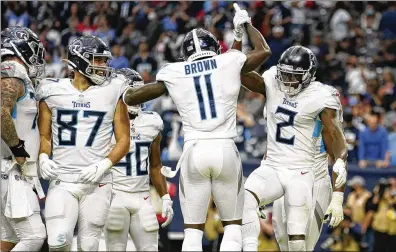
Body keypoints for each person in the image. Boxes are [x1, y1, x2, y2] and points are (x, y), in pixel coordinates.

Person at [122, 4, 271, 251]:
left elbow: (136, 96)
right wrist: (245, 26)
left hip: (193, 153)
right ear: (214, 49)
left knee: (192, 233)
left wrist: (119, 91)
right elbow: (262, 51)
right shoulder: (228, 61)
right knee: (233, 227)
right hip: (225, 149)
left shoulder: (175, 71)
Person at [238, 45, 348, 251]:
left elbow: (335, 139)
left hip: (312, 175)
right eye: (285, 74)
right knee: (282, 241)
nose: (287, 80)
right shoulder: (273, 83)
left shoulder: (321, 98)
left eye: (293, 76)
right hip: (279, 169)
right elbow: (277, 138)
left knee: (301, 244)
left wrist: (338, 194)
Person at [36, 35, 131, 251]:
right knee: (59, 242)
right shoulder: (51, 90)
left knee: (89, 247)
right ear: (80, 60)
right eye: (98, 60)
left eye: (104, 61)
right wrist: (43, 156)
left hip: (98, 181)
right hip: (63, 178)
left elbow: (124, 139)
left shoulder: (113, 89)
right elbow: (44, 136)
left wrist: (103, 165)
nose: (104, 66)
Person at [105, 68, 174, 251]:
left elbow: (156, 165)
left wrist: (165, 196)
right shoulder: (104, 122)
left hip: (142, 197)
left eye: (139, 92)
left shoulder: (151, 122)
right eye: (132, 92)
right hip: (114, 196)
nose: (137, 98)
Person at [0, 26, 46, 252]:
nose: (37, 56)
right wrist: (19, 151)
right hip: (11, 168)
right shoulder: (13, 70)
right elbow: (1, 112)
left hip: (9, 168)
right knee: (34, 236)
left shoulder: (16, 73)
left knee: (9, 238)